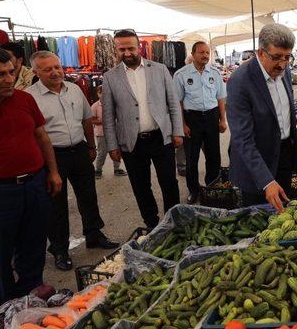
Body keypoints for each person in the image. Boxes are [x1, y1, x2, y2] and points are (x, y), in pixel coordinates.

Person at [27, 51, 118, 271]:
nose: (55, 72)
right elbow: (33, 133)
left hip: (78, 150)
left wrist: (90, 145)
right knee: (56, 205)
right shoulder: (29, 97)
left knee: (88, 195)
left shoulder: (75, 89)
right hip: (51, 155)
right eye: (47, 69)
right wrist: (48, 167)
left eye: (57, 67)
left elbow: (87, 119)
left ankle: (94, 234)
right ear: (35, 72)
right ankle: (59, 249)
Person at [0, 47, 61, 306]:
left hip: (34, 184)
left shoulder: (24, 99)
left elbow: (41, 136)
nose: (8, 79)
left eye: (10, 72)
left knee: (33, 245)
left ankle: (32, 296)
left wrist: (52, 171)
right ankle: (7, 307)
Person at [102, 29, 183, 229]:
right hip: (132, 142)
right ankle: (152, 224)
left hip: (160, 137)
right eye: (122, 49)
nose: (127, 53)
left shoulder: (160, 69)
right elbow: (108, 115)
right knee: (140, 186)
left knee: (169, 182)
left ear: (139, 47)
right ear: (116, 50)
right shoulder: (110, 77)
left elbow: (173, 103)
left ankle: (174, 222)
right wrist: (112, 145)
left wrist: (177, 131)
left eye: (131, 48)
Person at [227, 24, 297, 212]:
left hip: (283, 156)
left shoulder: (285, 71)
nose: (282, 64)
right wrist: (266, 181)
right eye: (276, 57)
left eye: (287, 57)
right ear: (260, 52)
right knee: (258, 221)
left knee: (284, 215)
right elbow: (242, 139)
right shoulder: (240, 81)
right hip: (256, 165)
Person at [174, 41, 227, 205]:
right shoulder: (181, 75)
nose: (205, 55)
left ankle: (212, 187)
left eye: (207, 53)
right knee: (191, 158)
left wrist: (222, 119)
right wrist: (182, 125)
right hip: (192, 119)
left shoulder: (215, 73)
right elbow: (178, 102)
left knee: (214, 156)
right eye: (201, 52)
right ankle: (194, 191)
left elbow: (220, 98)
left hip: (211, 117)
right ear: (193, 53)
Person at [90, 85, 127, 179]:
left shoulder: (114, 104)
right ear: (97, 93)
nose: (102, 94)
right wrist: (104, 121)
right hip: (101, 133)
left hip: (115, 133)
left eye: (104, 93)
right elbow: (91, 120)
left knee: (116, 150)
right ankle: (98, 170)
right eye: (100, 92)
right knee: (102, 153)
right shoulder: (95, 106)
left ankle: (117, 168)